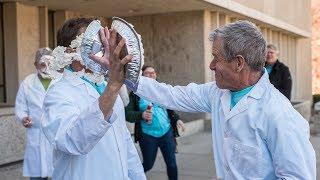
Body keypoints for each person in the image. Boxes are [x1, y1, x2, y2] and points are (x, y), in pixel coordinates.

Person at [95, 20, 316, 179]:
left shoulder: (279, 114)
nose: (211, 66)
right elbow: (171, 95)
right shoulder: (217, 93)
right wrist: (123, 73)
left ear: (239, 63)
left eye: (216, 58)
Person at [41, 17, 145, 180]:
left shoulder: (106, 86)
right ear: (70, 50)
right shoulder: (59, 92)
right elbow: (72, 141)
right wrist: (112, 87)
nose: (103, 46)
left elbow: (124, 143)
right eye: (93, 40)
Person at [125, 65, 185, 180]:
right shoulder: (135, 93)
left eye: (153, 73)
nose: (151, 75)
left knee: (172, 164)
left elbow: (169, 108)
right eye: (147, 73)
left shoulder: (162, 89)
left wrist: (177, 119)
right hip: (148, 135)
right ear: (141, 75)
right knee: (148, 164)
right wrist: (141, 115)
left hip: (166, 132)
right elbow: (127, 114)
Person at [15, 47, 61, 180]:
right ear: (36, 65)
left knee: (58, 173)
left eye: (50, 64)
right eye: (42, 64)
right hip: (36, 134)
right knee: (37, 175)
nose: (46, 67)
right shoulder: (27, 83)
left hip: (56, 135)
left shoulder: (60, 81)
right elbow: (21, 106)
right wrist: (23, 117)